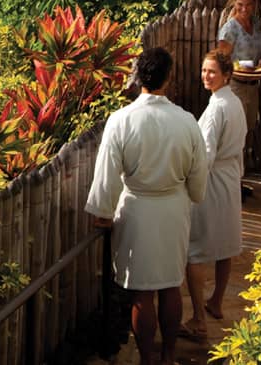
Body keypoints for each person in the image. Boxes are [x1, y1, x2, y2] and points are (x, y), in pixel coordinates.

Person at [85, 47, 208, 365]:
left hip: (137, 211)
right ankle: (168, 356)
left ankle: (147, 360)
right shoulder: (187, 122)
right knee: (170, 286)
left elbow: (107, 172)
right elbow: (197, 179)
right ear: (169, 78)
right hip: (172, 211)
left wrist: (103, 210)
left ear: (139, 78)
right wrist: (193, 194)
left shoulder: (121, 120)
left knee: (141, 293)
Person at [181, 50, 246, 341]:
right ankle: (216, 301)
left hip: (213, 180)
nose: (206, 76)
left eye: (212, 72)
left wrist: (190, 186)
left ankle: (197, 317)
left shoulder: (217, 108)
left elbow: (205, 154)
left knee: (195, 250)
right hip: (230, 178)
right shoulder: (235, 103)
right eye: (204, 70)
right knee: (225, 245)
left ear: (226, 75)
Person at [215, 0, 261, 171]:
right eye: (240, 4)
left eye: (249, 5)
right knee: (235, 131)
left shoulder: (258, 25)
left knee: (249, 128)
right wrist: (236, 69)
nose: (244, 9)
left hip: (253, 85)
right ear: (233, 4)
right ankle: (234, 175)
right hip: (236, 85)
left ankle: (241, 174)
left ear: (255, 5)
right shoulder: (230, 30)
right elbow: (221, 60)